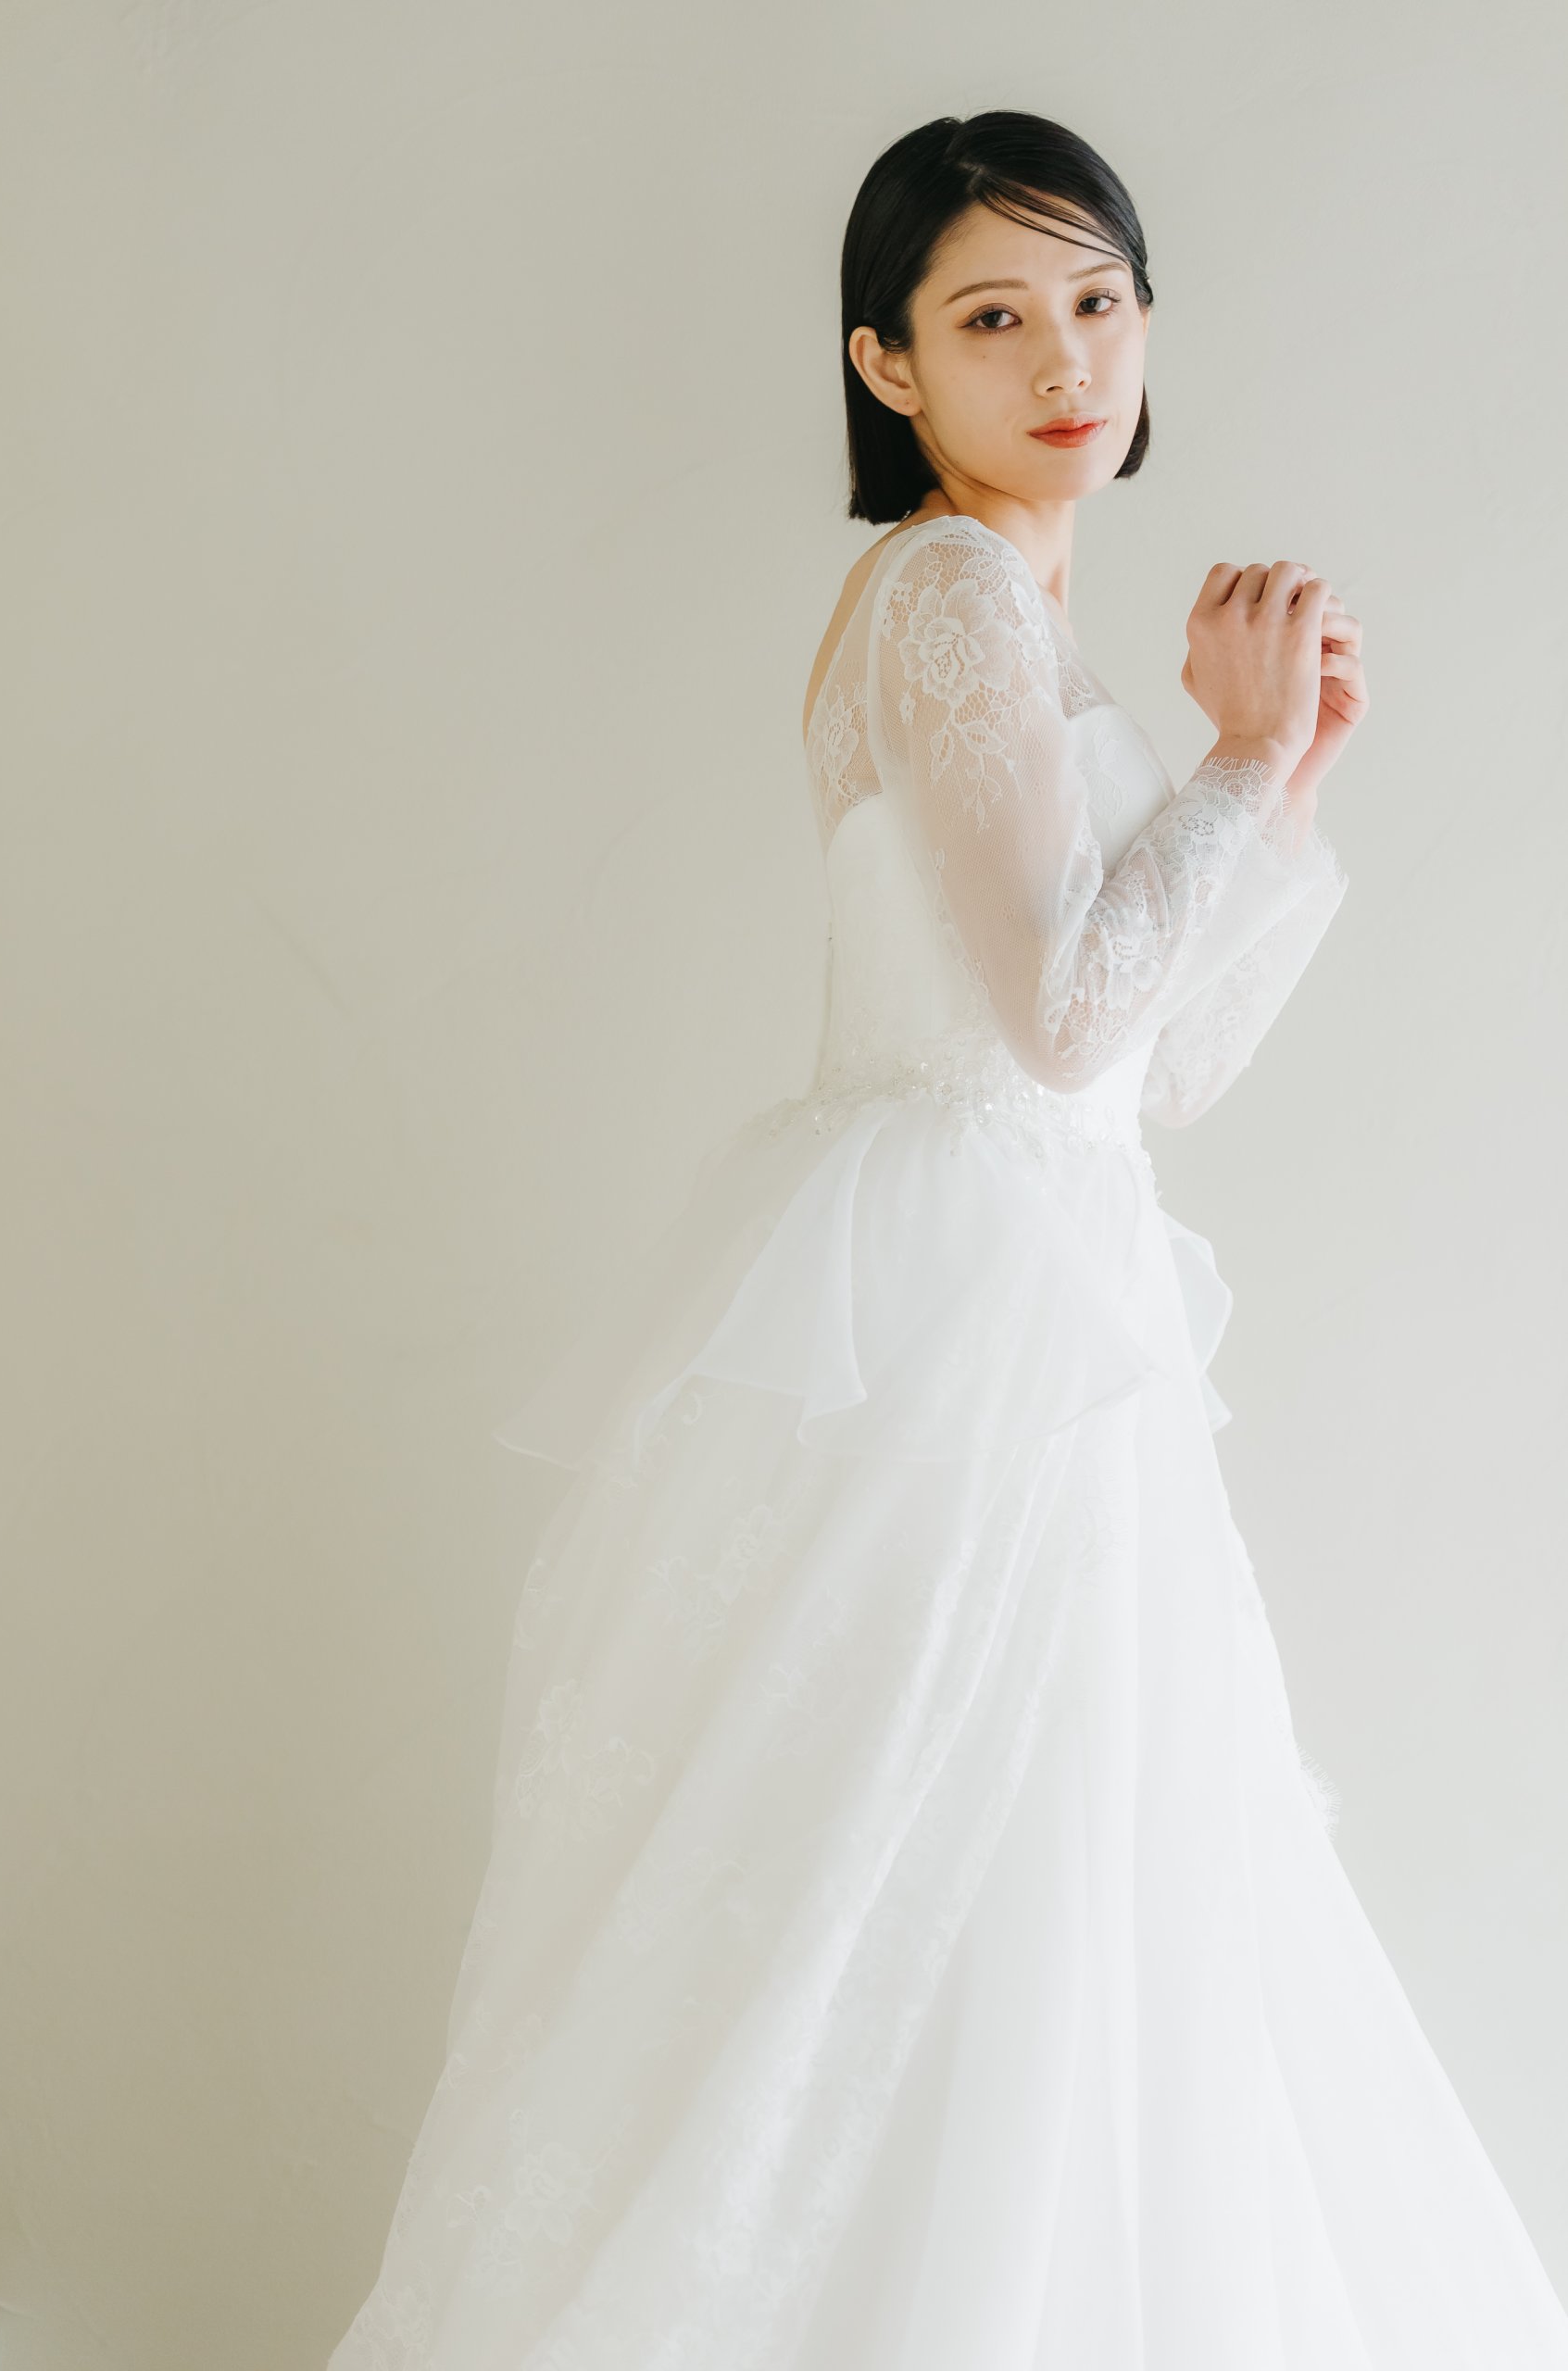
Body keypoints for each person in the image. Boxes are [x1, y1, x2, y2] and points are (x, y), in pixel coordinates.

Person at [328, 109, 1568, 2368]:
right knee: (919, 1847)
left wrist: (1278, 778)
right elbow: (1062, 1016)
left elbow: (1154, 1075)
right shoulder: (946, 592)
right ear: (885, 366)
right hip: (953, 1313)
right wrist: (1225, 759)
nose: (1061, 358)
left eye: (1094, 300)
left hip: (1041, 1292)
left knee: (1041, 1857)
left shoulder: (1019, 616)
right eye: (990, 317)